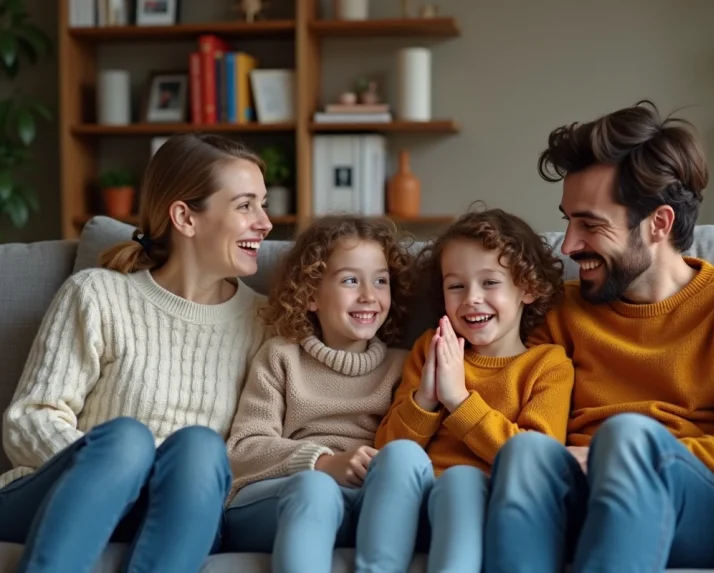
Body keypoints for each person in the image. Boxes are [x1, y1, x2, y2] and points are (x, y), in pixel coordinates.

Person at [482, 101, 714, 572]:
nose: (568, 245)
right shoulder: (559, 311)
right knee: (526, 451)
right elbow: (503, 405)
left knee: (628, 436)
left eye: (590, 224)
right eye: (568, 221)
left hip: (702, 510)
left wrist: (616, 456)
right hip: (579, 493)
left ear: (659, 223)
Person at [0, 133, 273, 573]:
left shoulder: (266, 322)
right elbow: (29, 419)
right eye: (245, 206)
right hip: (66, 494)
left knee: (201, 447)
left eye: (263, 204)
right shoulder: (97, 294)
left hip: (179, 510)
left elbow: (260, 443)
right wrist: (123, 472)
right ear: (185, 217)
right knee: (128, 441)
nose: (265, 223)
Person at [357, 208, 575, 572]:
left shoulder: (548, 365)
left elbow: (536, 462)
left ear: (528, 288)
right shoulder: (433, 348)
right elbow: (387, 450)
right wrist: (426, 399)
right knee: (399, 456)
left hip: (482, 509)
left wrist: (458, 401)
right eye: (456, 286)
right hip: (413, 508)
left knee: (461, 481)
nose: (471, 297)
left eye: (489, 283)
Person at [221, 215, 413, 573]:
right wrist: (323, 463)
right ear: (310, 294)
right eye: (350, 280)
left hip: (363, 502)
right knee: (317, 489)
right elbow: (243, 450)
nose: (369, 295)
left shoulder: (404, 366)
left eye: (381, 280)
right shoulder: (282, 357)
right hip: (280, 496)